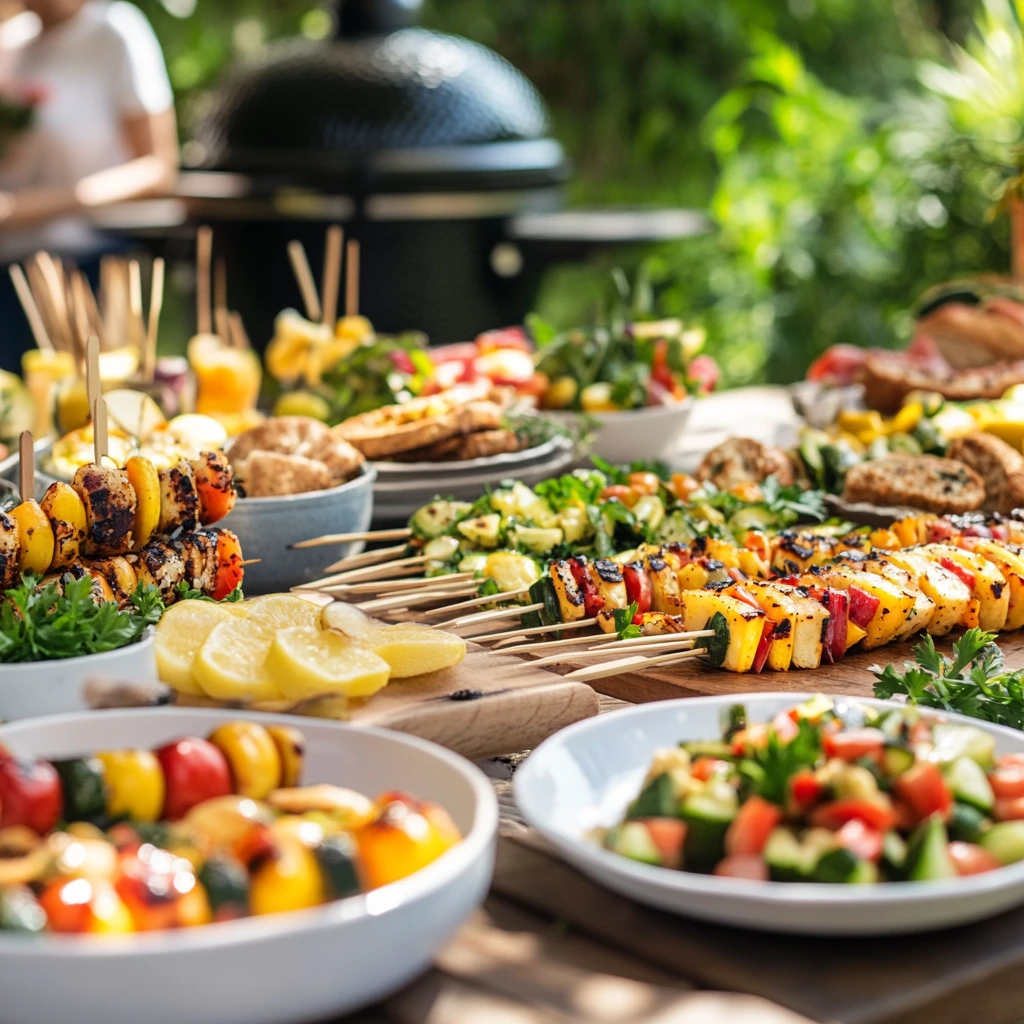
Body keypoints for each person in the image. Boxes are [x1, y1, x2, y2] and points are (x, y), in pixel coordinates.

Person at [0, 0, 178, 370]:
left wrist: (32, 207)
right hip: (7, 270)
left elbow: (158, 167)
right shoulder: (12, 39)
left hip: (82, 268)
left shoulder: (115, 32)